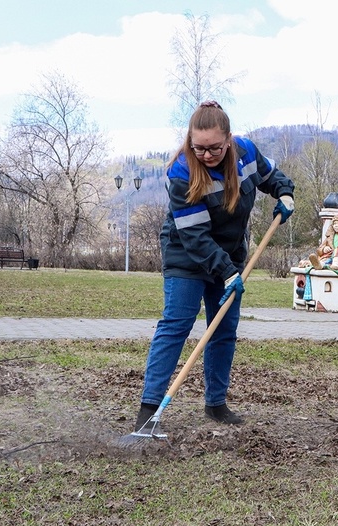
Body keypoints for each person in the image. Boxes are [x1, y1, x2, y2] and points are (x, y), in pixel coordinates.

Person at [132, 101, 295, 434]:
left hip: (231, 251)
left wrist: (285, 193)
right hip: (186, 253)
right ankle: (148, 412)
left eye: (214, 148)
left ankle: (216, 404)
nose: (206, 155)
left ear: (229, 140)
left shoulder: (246, 152)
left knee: (223, 329)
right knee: (177, 323)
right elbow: (195, 236)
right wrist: (228, 272)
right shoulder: (180, 172)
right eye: (199, 148)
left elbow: (271, 177)